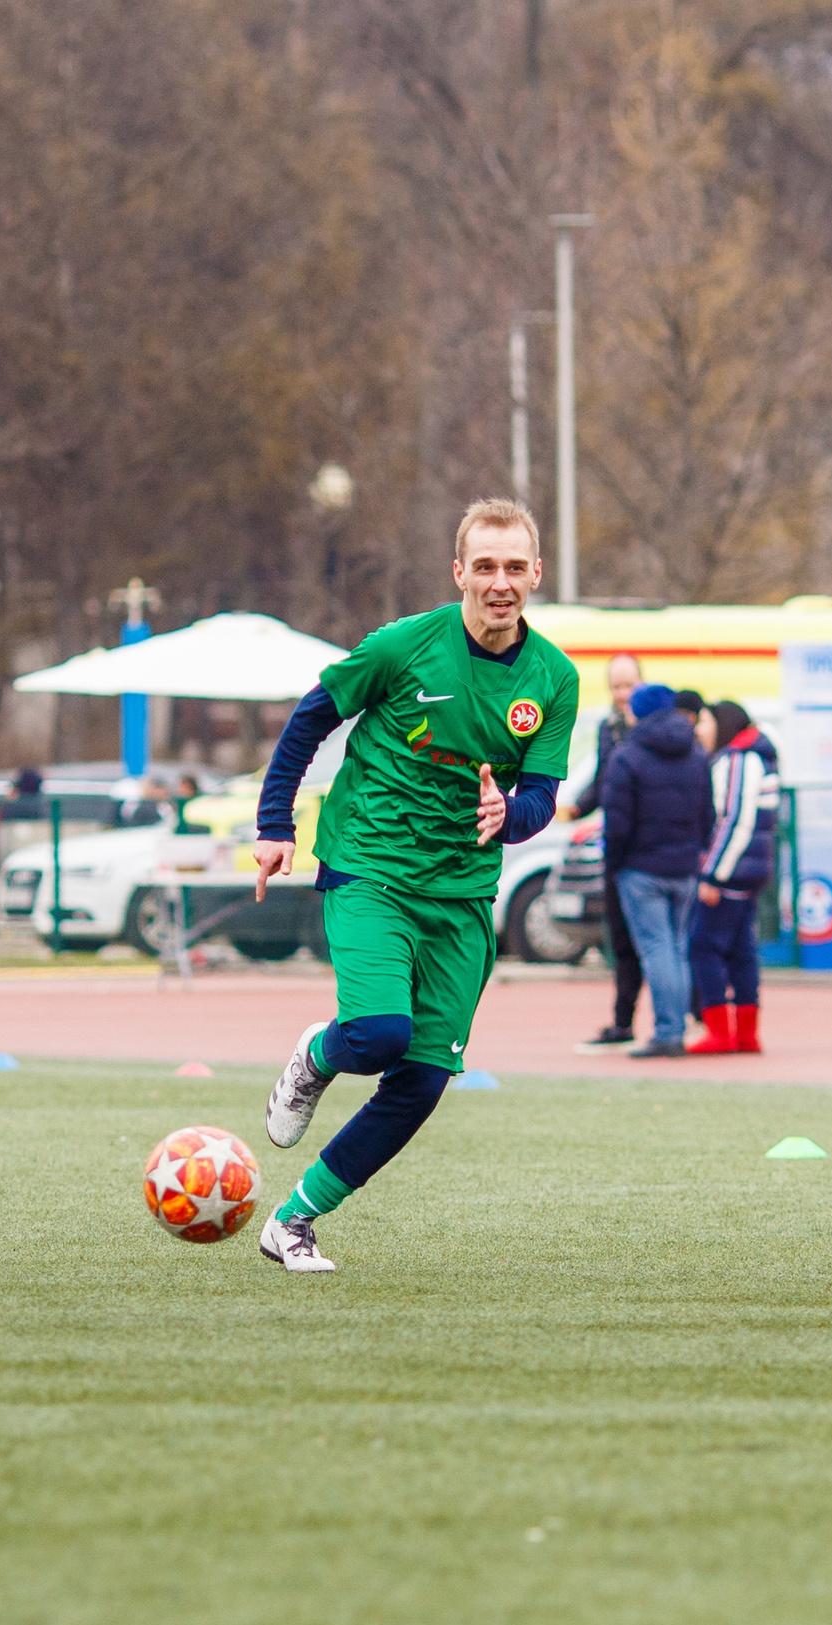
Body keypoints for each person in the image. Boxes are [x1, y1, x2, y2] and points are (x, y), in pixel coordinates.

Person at [250, 498, 580, 1272]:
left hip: (461, 895)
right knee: (376, 1035)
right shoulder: (402, 646)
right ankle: (317, 1057)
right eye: (485, 567)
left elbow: (540, 796)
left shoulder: (555, 679)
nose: (500, 583)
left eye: (515, 567)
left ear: (536, 574)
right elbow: (310, 719)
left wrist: (511, 813)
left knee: (422, 1080)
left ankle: (293, 1222)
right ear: (459, 571)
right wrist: (274, 824)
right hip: (372, 865)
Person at [598, 684, 712, 1059]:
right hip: (684, 868)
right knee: (677, 949)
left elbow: (616, 822)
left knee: (657, 950)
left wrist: (614, 864)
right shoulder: (695, 752)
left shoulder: (627, 755)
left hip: (641, 868)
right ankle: (677, 1027)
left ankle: (668, 1032)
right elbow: (707, 815)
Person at [685, 699, 779, 1054]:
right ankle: (746, 1033)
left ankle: (720, 1032)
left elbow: (734, 820)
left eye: (705, 721)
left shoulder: (738, 760)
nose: (699, 729)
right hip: (750, 870)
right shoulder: (758, 757)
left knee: (703, 946)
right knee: (742, 951)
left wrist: (712, 874)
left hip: (731, 873)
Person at [562, 652, 644, 1050]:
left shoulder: (651, 729)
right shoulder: (607, 729)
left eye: (629, 685)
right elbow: (602, 782)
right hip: (616, 848)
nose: (622, 693)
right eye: (616, 686)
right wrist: (577, 807)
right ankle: (622, 1022)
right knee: (622, 940)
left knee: (662, 942)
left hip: (648, 850)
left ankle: (686, 1017)